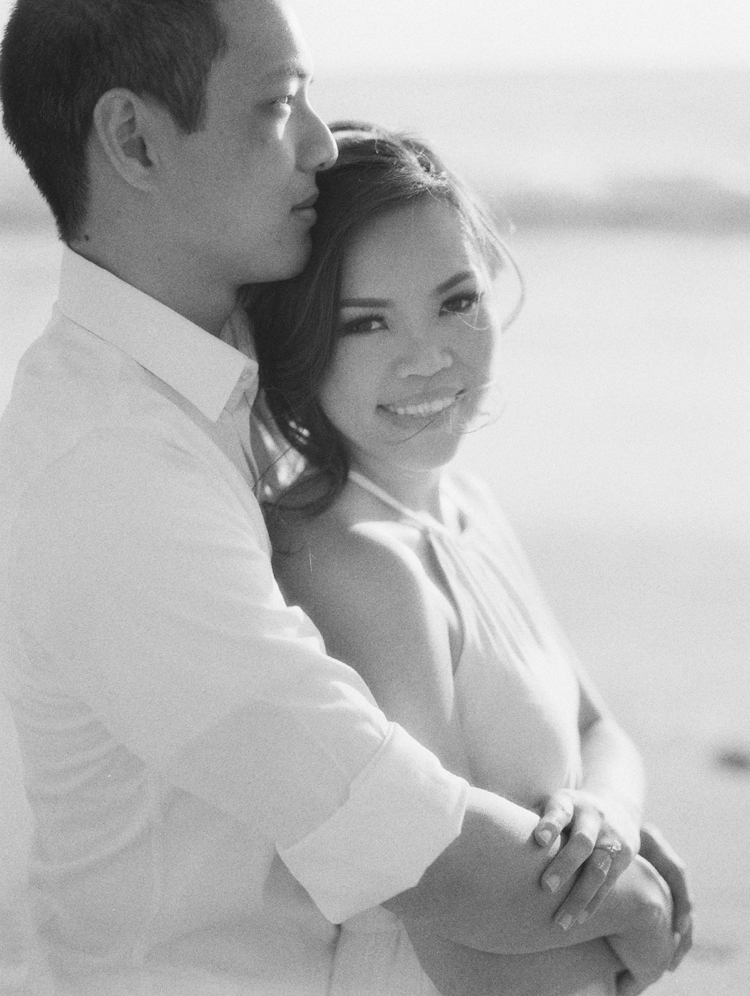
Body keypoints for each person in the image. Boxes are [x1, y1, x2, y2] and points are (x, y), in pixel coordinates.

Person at [0, 1, 691, 993]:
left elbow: (576, 733)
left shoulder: (213, 380)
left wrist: (609, 820)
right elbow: (413, 841)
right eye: (280, 104)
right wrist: (638, 899)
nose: (321, 146)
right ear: (133, 140)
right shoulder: (112, 474)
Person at [249, 122, 693, 995]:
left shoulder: (463, 503)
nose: (429, 357)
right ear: (299, 346)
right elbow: (453, 949)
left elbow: (600, 733)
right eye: (366, 323)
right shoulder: (357, 564)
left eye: (455, 301)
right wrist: (641, 917)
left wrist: (608, 818)